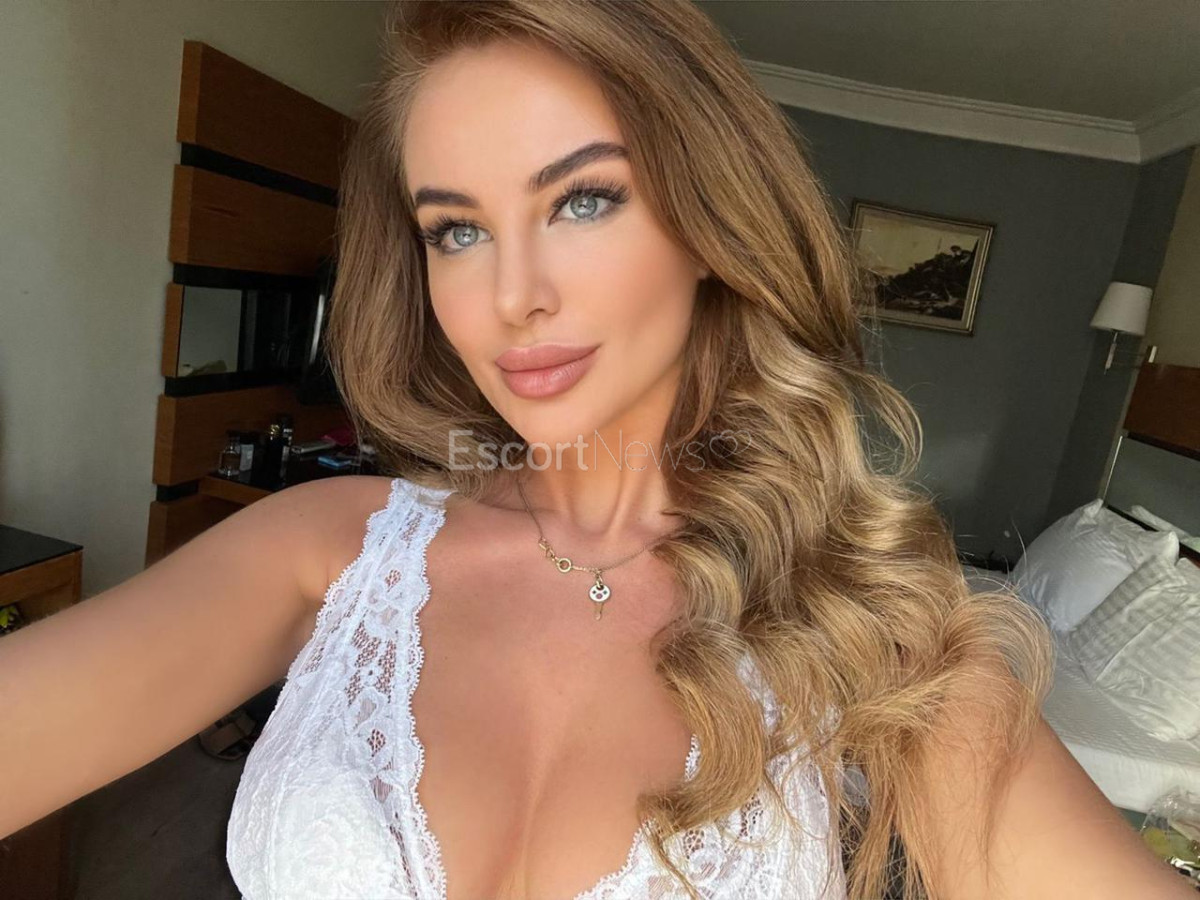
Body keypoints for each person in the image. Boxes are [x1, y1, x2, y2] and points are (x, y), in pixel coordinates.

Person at [1, 2, 1192, 898]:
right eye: (456, 229)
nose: (511, 296)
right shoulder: (328, 549)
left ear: (709, 220)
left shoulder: (880, 635)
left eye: (581, 199)